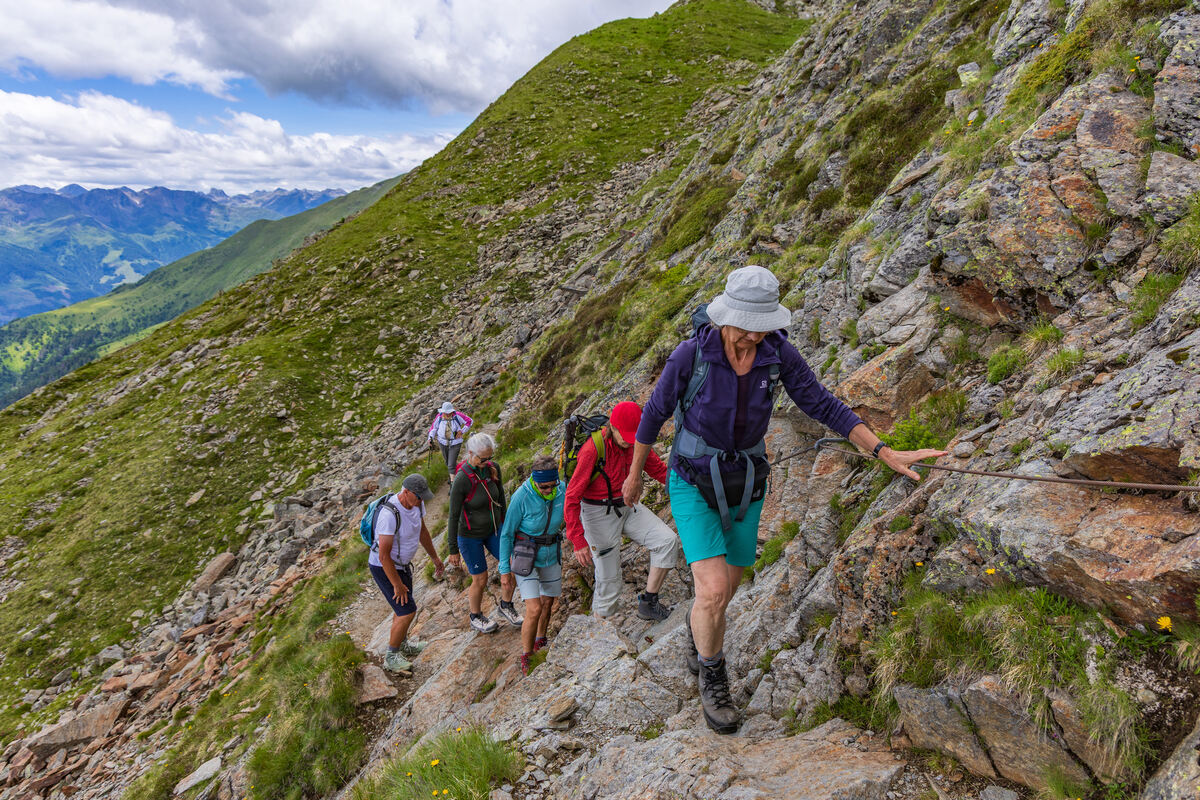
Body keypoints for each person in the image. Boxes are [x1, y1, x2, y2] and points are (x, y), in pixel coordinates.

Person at [623, 265, 946, 734]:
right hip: (692, 480)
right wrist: (635, 476)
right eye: (747, 327)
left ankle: (701, 634)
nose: (754, 337)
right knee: (712, 591)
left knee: (726, 589)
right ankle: (713, 679)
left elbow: (822, 403)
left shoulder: (777, 354)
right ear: (725, 317)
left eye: (763, 327)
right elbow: (653, 415)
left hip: (746, 483)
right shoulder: (691, 355)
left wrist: (883, 450)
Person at [564, 401, 678, 621]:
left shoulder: (636, 443)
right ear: (612, 427)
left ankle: (649, 603)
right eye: (624, 435)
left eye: (634, 435)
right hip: (597, 515)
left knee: (667, 541)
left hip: (627, 506)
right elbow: (571, 497)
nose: (629, 440)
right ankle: (598, 635)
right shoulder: (592, 450)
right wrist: (578, 541)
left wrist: (688, 487)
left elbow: (658, 469)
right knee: (610, 582)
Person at [368, 473, 447, 672]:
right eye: (418, 496)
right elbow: (384, 556)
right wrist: (396, 584)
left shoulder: (416, 505)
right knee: (407, 610)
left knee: (402, 609)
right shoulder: (389, 514)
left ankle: (403, 644)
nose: (422, 501)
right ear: (406, 492)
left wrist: (435, 557)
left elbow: (422, 531)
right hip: (384, 566)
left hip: (402, 565)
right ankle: (391, 656)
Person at [446, 433, 523, 633]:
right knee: (480, 578)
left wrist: (507, 526)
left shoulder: (492, 468)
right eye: (483, 459)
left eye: (489, 457)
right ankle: (476, 616)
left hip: (495, 530)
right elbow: (453, 516)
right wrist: (453, 549)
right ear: (471, 454)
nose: (487, 462)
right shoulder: (461, 479)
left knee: (513, 564)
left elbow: (501, 500)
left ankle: (506, 605)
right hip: (469, 535)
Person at [498, 455, 566, 676]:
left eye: (551, 485)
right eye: (543, 487)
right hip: (526, 555)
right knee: (534, 608)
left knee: (547, 603)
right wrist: (504, 570)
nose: (548, 490)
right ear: (535, 481)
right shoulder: (521, 497)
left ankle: (541, 639)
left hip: (551, 553)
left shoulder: (562, 490)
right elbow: (507, 534)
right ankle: (526, 655)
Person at [428, 401, 472, 473]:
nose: (448, 414)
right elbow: (433, 428)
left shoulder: (457, 415)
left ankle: (453, 482)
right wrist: (430, 438)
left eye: (449, 412)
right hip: (442, 442)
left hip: (455, 442)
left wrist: (462, 431)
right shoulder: (439, 417)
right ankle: (458, 473)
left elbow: (469, 421)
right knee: (448, 462)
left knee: (451, 464)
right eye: (446, 412)